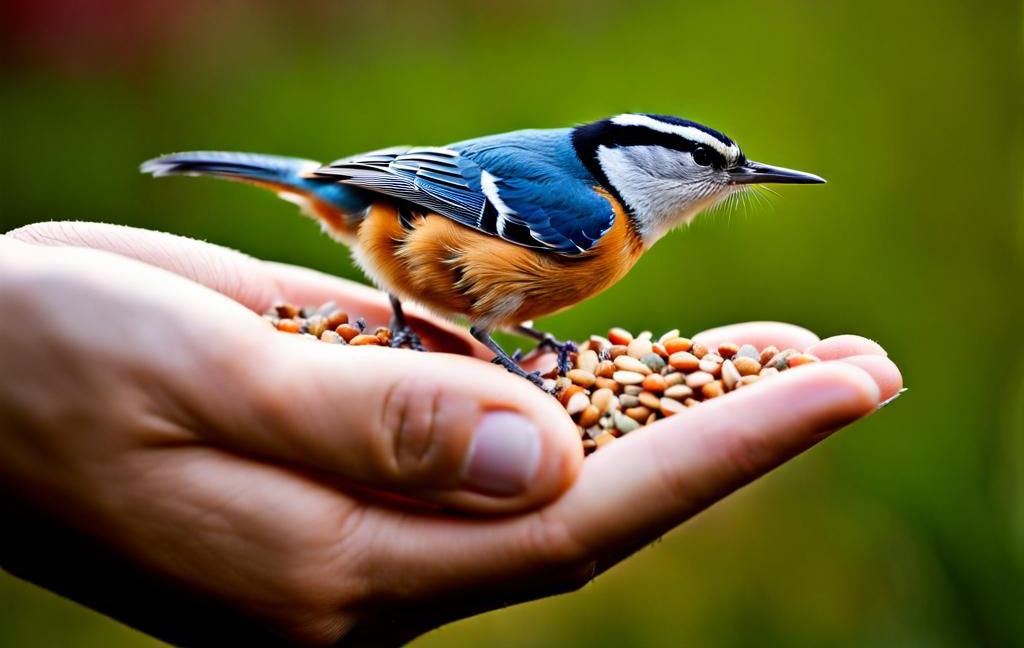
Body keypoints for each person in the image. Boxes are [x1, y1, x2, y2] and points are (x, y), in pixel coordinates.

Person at [0, 222, 902, 647]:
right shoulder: (588, 214)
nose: (722, 189)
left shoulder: (618, 237)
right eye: (699, 165)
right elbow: (424, 222)